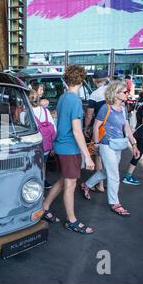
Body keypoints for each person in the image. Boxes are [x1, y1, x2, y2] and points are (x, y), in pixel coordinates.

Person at [42, 65, 95, 234]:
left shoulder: (64, 97)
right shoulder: (75, 100)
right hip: (69, 148)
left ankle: (44, 207)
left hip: (60, 146)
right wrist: (87, 155)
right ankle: (72, 221)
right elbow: (77, 130)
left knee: (65, 180)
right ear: (82, 80)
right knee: (70, 184)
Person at [80, 81, 140, 216]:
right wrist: (96, 144)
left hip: (118, 144)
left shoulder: (124, 109)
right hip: (106, 145)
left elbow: (127, 127)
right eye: (125, 92)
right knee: (114, 175)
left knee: (107, 171)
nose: (127, 94)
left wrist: (134, 144)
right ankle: (115, 203)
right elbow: (96, 126)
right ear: (115, 93)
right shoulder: (105, 108)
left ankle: (86, 185)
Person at [84, 69, 109, 193]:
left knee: (98, 156)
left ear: (94, 80)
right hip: (114, 129)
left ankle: (100, 185)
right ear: (106, 79)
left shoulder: (95, 94)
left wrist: (86, 127)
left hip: (100, 129)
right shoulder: (113, 91)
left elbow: (89, 114)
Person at [29, 89, 57, 189]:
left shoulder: (26, 112)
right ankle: (43, 180)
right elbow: (54, 128)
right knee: (43, 164)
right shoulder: (45, 111)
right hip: (46, 146)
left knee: (32, 166)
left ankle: (34, 186)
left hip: (34, 146)